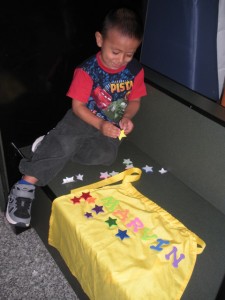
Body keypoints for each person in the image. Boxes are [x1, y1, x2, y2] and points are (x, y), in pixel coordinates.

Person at [6, 7, 147, 228]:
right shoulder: (87, 70)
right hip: (83, 117)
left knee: (105, 155)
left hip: (109, 123)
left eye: (129, 55)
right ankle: (25, 186)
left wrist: (126, 118)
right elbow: (78, 106)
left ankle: (50, 146)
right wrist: (99, 123)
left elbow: (135, 101)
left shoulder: (135, 71)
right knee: (67, 141)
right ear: (100, 40)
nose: (121, 60)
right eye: (115, 52)